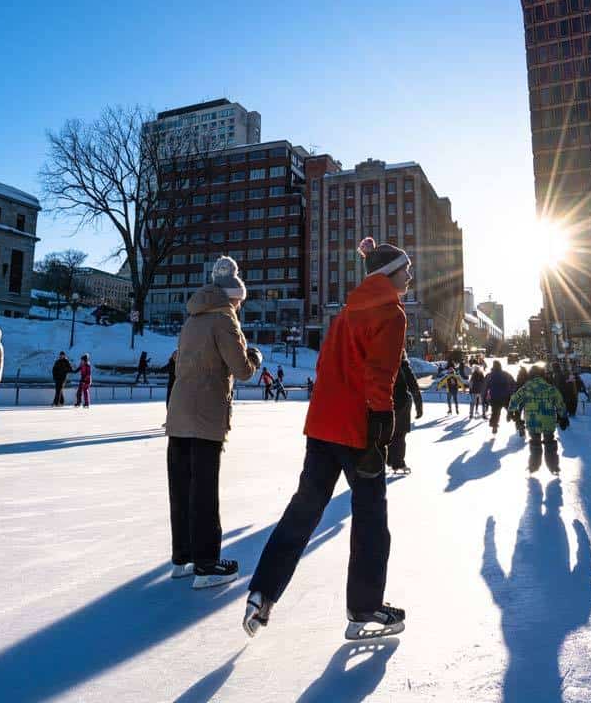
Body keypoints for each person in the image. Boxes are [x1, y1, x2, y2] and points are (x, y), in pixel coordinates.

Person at [244, 237, 411, 640]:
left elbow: (325, 365)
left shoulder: (346, 312)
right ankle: (364, 607)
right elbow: (380, 374)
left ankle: (262, 592)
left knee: (305, 509)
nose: (411, 276)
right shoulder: (391, 313)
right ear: (389, 275)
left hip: (322, 425)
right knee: (372, 516)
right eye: (407, 269)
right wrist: (381, 424)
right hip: (356, 428)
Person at [166, 256, 262, 589]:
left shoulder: (192, 318)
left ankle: (183, 559)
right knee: (204, 490)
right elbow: (242, 370)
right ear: (232, 296)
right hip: (206, 413)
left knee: (182, 487)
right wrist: (254, 356)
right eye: (239, 300)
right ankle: (206, 564)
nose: (239, 306)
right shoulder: (224, 319)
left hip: (178, 413)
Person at [508, 366, 568, 474]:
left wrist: (511, 411)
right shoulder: (550, 388)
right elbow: (560, 403)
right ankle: (553, 466)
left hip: (532, 421)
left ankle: (533, 466)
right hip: (548, 421)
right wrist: (563, 416)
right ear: (543, 375)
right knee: (550, 443)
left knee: (535, 443)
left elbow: (514, 399)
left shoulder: (526, 388)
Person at [388, 350, 423, 475]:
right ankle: (398, 463)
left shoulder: (384, 364)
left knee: (388, 434)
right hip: (401, 405)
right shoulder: (404, 367)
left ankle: (389, 460)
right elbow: (414, 387)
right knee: (399, 435)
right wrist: (419, 408)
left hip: (386, 404)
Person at [484, 360, 516, 434]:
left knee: (495, 412)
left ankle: (494, 426)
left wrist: (484, 398)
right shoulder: (506, 374)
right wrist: (511, 392)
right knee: (509, 408)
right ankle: (513, 417)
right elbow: (513, 383)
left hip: (494, 397)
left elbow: (485, 387)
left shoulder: (490, 375)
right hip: (505, 396)